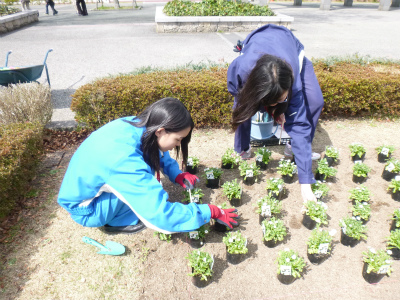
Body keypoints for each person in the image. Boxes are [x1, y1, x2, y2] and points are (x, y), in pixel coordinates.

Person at [57, 98, 238, 234]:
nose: (177, 145)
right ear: (161, 131)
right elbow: (161, 215)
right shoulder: (123, 161)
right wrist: (210, 211)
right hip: (86, 209)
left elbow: (154, 147)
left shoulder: (138, 124)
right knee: (145, 196)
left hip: (88, 185)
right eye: (178, 140)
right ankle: (117, 221)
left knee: (145, 178)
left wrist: (176, 173)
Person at [227, 24, 324, 203]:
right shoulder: (242, 67)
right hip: (256, 44)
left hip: (288, 45)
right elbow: (234, 89)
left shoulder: (292, 81)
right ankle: (242, 149)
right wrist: (271, 110)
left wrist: (305, 184)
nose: (277, 103)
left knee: (316, 101)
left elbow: (299, 124)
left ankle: (297, 150)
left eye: (282, 99)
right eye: (273, 100)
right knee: (243, 106)